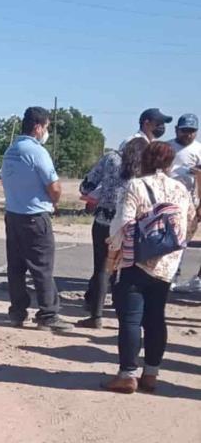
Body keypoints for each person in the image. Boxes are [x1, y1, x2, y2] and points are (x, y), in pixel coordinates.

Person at [102, 142, 195, 394]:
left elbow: (122, 223)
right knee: (156, 319)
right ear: (170, 163)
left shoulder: (135, 185)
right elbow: (188, 224)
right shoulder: (181, 188)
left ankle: (127, 375)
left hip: (134, 262)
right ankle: (151, 373)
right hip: (166, 264)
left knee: (131, 319)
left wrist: (113, 254)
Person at [0, 107, 71, 331]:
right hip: (34, 216)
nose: (46, 132)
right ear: (38, 127)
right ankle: (48, 314)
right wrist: (55, 201)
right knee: (42, 267)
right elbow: (54, 186)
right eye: (47, 127)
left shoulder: (11, 150)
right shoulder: (37, 151)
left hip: (13, 215)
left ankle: (17, 312)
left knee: (16, 267)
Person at [76, 138, 148, 328]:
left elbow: (87, 185)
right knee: (125, 269)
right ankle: (123, 315)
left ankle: (96, 316)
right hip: (131, 224)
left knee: (102, 268)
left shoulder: (111, 159)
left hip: (104, 221)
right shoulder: (146, 165)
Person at [168, 113, 201, 293]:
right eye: (184, 131)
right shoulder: (167, 147)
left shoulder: (199, 150)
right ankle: (167, 276)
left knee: (182, 241)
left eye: (191, 131)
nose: (188, 134)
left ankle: (175, 275)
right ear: (177, 130)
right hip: (166, 201)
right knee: (166, 240)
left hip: (189, 203)